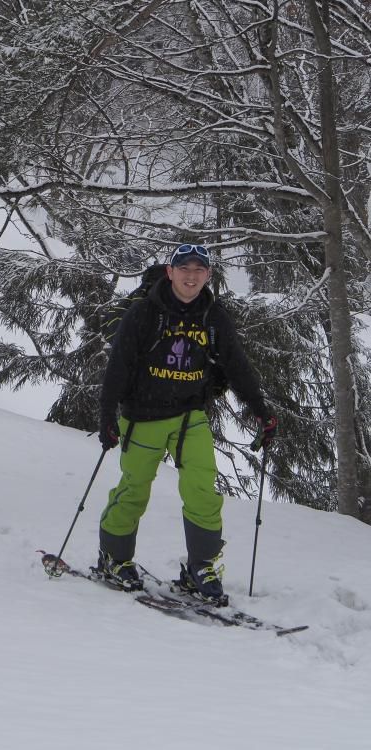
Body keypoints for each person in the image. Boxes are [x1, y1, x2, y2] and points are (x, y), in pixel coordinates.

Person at [97, 244, 277, 603]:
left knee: (202, 489)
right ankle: (114, 558)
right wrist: (106, 416)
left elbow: (236, 365)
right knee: (135, 489)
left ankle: (202, 566)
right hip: (143, 415)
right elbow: (118, 366)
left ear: (208, 275)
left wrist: (260, 409)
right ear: (170, 272)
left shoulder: (212, 315)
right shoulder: (143, 313)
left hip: (189, 415)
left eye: (199, 269)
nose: (191, 276)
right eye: (184, 268)